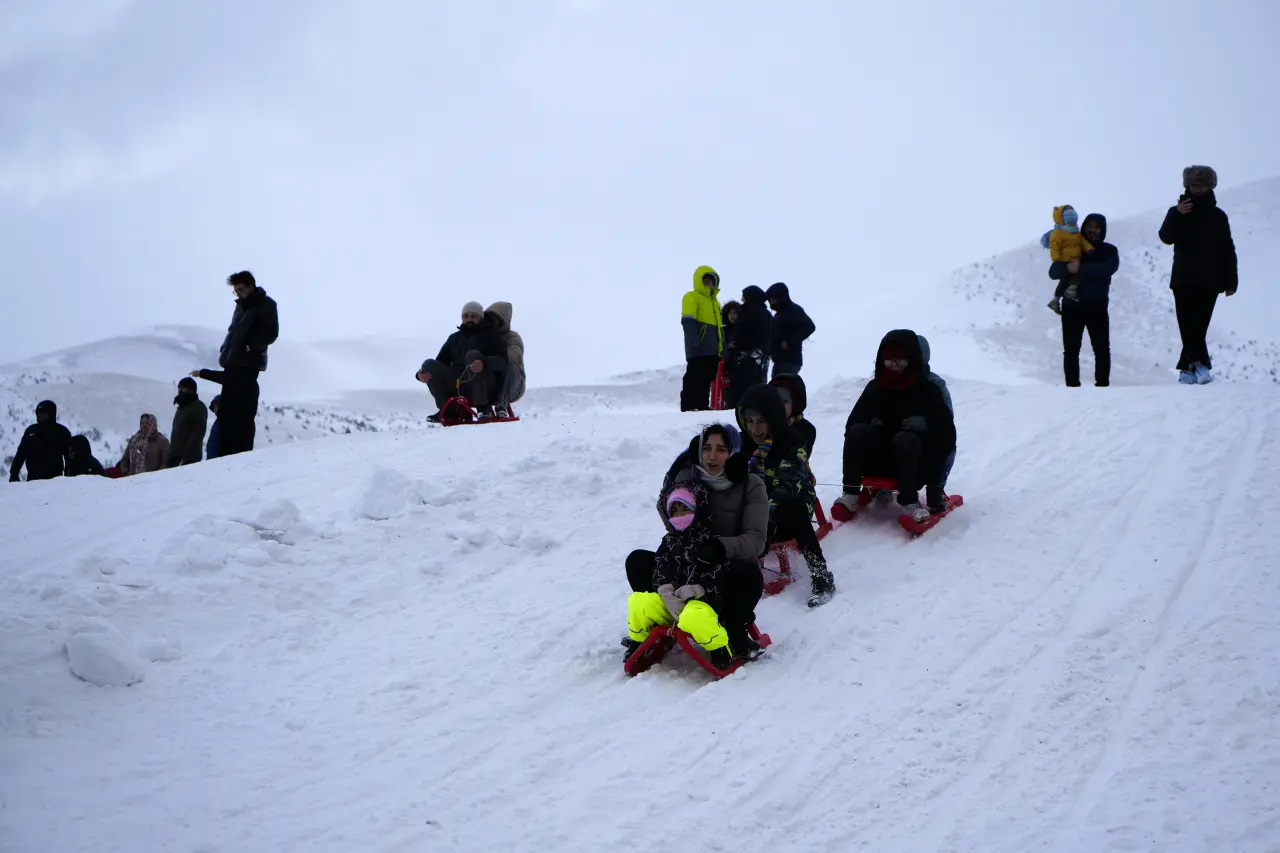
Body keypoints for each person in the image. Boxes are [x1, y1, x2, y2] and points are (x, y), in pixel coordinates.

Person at [625, 423, 768, 661]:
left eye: (721, 449)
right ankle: (665, 615)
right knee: (638, 561)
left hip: (726, 569)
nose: (712, 456)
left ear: (732, 453)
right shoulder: (687, 475)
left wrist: (720, 547)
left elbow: (756, 540)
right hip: (688, 564)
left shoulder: (751, 485)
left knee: (749, 574)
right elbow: (673, 521)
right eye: (707, 448)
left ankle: (734, 632)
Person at [833, 330, 957, 524]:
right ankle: (850, 493)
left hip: (917, 464)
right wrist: (875, 427)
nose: (894, 366)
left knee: (905, 439)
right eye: (889, 360)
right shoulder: (876, 387)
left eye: (900, 360)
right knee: (858, 431)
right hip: (881, 460)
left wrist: (934, 478)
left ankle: (912, 500)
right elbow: (853, 423)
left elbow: (945, 434)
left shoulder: (930, 389)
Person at [736, 384, 836, 607]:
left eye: (761, 421)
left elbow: (787, 486)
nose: (755, 428)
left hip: (785, 508)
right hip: (755, 513)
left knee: (793, 508)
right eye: (749, 420)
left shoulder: (793, 441)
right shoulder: (740, 444)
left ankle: (821, 576)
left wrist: (760, 526)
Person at [626, 481, 740, 670]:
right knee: (639, 603)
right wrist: (665, 591)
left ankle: (719, 647)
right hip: (672, 602)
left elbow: (721, 572)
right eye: (675, 511)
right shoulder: (669, 542)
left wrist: (697, 589)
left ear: (697, 510)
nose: (679, 516)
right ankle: (640, 642)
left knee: (694, 617)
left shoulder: (710, 541)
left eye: (685, 509)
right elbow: (661, 567)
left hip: (701, 602)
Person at [1158, 165, 1239, 384]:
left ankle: (1187, 370)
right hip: (1183, 278)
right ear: (1187, 185)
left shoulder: (1218, 216)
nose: (1199, 188)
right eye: (1195, 184)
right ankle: (1201, 366)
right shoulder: (1177, 211)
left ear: (1211, 185)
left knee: (1199, 326)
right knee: (1187, 324)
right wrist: (1178, 215)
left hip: (1210, 279)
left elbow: (1227, 248)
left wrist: (1231, 280)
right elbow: (1166, 237)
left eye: (1204, 184)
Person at [192, 271, 279, 456]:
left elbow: (271, 333)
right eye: (235, 291)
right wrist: (227, 350)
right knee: (227, 416)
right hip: (232, 365)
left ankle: (241, 460)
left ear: (251, 286)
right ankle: (224, 459)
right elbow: (233, 332)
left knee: (243, 417)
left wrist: (250, 346)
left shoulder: (266, 305)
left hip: (248, 366)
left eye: (240, 289)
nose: (238, 294)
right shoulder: (240, 307)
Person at [1047, 213, 1119, 387]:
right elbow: (1053, 272)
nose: (1093, 230)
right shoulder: (1073, 246)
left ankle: (1102, 387)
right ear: (1084, 227)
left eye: (1097, 227)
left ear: (1103, 229)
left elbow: (1108, 267)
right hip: (1072, 306)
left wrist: (1080, 267)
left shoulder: (1109, 250)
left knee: (1101, 350)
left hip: (1097, 306)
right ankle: (1072, 389)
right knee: (1071, 350)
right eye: (1090, 226)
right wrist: (1067, 266)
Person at [416, 301, 508, 421]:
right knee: (428, 365)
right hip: (459, 382)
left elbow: (503, 362)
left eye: (473, 316)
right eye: (466, 316)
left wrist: (484, 363)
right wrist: (420, 375)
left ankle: (483, 409)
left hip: (485, 384)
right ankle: (448, 411)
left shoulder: (491, 335)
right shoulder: (454, 338)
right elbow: (440, 362)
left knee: (472, 355)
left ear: (480, 317)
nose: (469, 319)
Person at [680, 265, 724, 411]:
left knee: (707, 378)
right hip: (698, 347)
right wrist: (693, 340)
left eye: (712, 282)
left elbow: (719, 328)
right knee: (694, 376)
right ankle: (688, 406)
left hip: (712, 350)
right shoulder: (691, 297)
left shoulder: (716, 303)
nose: (709, 285)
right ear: (699, 281)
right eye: (706, 281)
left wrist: (721, 346)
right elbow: (688, 321)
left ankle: (702, 405)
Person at [916, 335, 956, 489]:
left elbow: (945, 417)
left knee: (945, 440)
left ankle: (936, 487)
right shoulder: (935, 383)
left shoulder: (935, 384)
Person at [727, 286, 772, 408]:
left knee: (739, 392)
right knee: (757, 391)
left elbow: (739, 335)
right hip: (762, 360)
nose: (742, 299)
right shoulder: (767, 314)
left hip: (745, 360)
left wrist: (732, 344)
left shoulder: (746, 313)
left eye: (744, 296)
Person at [8, 400, 72, 482]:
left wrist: (69, 477)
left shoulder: (61, 432)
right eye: (37, 413)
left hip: (55, 481)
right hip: (32, 480)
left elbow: (69, 457)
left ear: (51, 414)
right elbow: (21, 453)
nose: (39, 415)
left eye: (42, 413)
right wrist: (14, 473)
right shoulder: (31, 431)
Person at [1045, 205, 1093, 312]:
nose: (1072, 224)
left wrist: (1090, 249)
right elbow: (1054, 247)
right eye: (1070, 222)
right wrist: (1056, 260)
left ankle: (1055, 300)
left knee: (1067, 278)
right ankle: (1071, 290)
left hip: (1075, 260)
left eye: (1074, 222)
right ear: (1062, 221)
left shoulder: (1077, 234)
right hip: (1063, 261)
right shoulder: (1057, 233)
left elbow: (1083, 242)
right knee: (1078, 272)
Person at [484, 301, 525, 418]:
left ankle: (501, 404)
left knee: (511, 367)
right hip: (490, 382)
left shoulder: (513, 337)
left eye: (494, 318)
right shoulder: (483, 337)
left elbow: (514, 355)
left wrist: (491, 360)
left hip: (513, 384)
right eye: (488, 317)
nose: (490, 321)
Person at [765, 282, 815, 377]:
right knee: (776, 388)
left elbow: (809, 327)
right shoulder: (778, 315)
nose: (771, 303)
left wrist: (789, 341)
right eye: (770, 300)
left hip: (790, 360)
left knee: (783, 388)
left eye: (773, 299)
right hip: (779, 360)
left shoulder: (794, 310)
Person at [768, 373, 816, 459]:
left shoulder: (805, 429)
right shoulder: (761, 423)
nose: (779, 405)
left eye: (785, 401)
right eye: (774, 400)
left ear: (796, 403)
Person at [167, 377, 209, 467]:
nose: (180, 390)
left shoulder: (198, 406)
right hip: (175, 456)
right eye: (179, 388)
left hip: (189, 458)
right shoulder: (181, 408)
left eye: (183, 388)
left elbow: (199, 432)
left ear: (191, 390)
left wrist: (188, 454)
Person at [206, 395, 222, 460]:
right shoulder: (218, 421)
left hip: (217, 460)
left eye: (216, 406)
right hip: (212, 458)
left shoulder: (223, 422)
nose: (215, 409)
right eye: (214, 406)